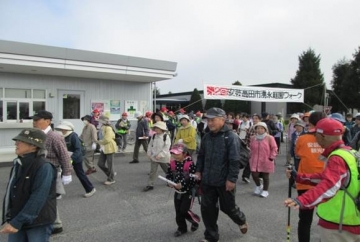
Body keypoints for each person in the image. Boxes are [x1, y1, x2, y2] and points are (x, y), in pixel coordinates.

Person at [284, 118, 360, 241]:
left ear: (322, 136)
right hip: (352, 218)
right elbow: (330, 178)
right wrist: (299, 177)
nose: (315, 138)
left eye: (316, 135)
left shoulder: (336, 157)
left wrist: (302, 200)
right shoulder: (351, 152)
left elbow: (330, 185)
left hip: (339, 223)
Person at [195, 107, 248, 242]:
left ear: (223, 120)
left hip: (224, 181)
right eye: (208, 120)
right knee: (208, 210)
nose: (210, 123)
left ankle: (241, 219)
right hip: (207, 180)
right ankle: (211, 236)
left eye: (213, 120)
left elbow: (234, 160)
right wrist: (198, 171)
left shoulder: (230, 137)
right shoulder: (206, 137)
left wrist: (231, 179)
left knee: (228, 208)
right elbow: (201, 156)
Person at [0, 128, 56, 242]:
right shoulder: (18, 163)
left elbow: (38, 197)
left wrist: (18, 222)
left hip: (37, 222)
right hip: (18, 218)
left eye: (21, 141)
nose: (16, 143)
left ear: (34, 146)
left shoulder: (44, 166)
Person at [31, 110, 72, 234]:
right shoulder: (36, 134)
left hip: (51, 171)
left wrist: (67, 172)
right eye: (33, 120)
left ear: (47, 121)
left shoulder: (54, 136)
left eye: (37, 120)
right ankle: (51, 222)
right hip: (38, 171)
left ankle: (56, 224)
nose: (34, 122)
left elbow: (64, 155)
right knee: (43, 197)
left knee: (48, 198)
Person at [291, 111, 326, 242]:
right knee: (326, 218)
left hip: (305, 181)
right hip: (326, 183)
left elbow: (298, 153)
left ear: (309, 123)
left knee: (305, 219)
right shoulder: (330, 139)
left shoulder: (303, 138)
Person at [165, 142, 200, 237]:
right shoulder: (172, 164)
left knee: (184, 210)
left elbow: (194, 179)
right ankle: (182, 228)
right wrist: (169, 182)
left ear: (184, 153)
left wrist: (183, 184)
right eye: (173, 153)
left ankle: (195, 221)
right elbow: (169, 175)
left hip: (188, 192)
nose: (175, 155)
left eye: (177, 153)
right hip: (177, 192)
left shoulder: (190, 164)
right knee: (178, 211)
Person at [55, 121, 96, 198]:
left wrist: (71, 159)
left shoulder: (73, 136)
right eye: (61, 129)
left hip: (76, 158)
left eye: (63, 129)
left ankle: (90, 189)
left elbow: (78, 149)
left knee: (80, 174)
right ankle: (57, 193)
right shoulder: (63, 136)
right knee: (61, 174)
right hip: (67, 158)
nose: (62, 130)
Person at [249, 122, 278, 198]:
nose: (260, 130)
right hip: (255, 159)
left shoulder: (269, 138)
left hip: (266, 159)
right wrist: (250, 156)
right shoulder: (253, 138)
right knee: (254, 175)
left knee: (265, 177)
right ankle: (258, 186)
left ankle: (265, 191)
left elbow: (274, 148)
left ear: (265, 129)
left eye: (262, 128)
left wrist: (272, 157)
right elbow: (251, 148)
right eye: (258, 128)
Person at [143, 121, 171, 192]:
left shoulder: (166, 136)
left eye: (157, 128)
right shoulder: (154, 136)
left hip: (164, 158)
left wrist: (161, 155)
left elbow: (166, 147)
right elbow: (150, 145)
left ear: (162, 129)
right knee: (153, 171)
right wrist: (149, 152)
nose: (156, 129)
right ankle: (150, 184)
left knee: (167, 170)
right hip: (154, 157)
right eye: (155, 128)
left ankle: (170, 181)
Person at [96, 115, 118, 185]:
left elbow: (107, 139)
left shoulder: (108, 128)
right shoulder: (102, 127)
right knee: (100, 164)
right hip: (104, 147)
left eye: (100, 121)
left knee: (110, 164)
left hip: (109, 147)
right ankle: (110, 174)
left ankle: (111, 179)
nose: (99, 122)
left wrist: (98, 142)